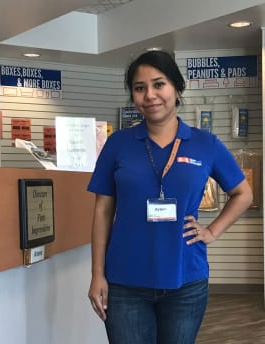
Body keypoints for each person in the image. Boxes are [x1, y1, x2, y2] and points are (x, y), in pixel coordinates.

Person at [87, 50, 253, 344]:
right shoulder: (118, 145)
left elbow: (243, 194)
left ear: (177, 88)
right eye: (140, 88)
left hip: (185, 280)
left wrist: (212, 231)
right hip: (125, 283)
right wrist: (97, 274)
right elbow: (102, 211)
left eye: (159, 84)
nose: (150, 95)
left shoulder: (205, 144)